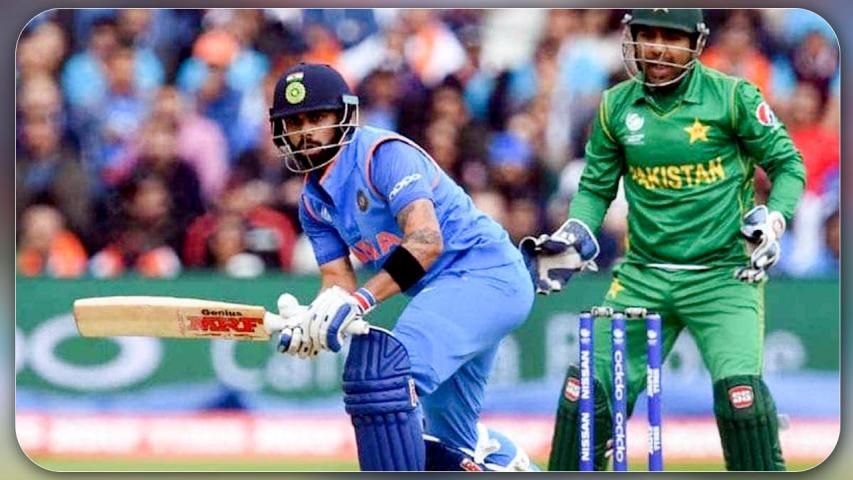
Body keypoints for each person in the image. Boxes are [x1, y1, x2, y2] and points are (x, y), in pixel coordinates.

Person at [521, 9, 805, 471]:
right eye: (646, 35)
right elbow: (594, 188)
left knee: (742, 402)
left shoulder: (732, 97)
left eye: (671, 38)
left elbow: (788, 165)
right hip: (643, 275)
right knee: (584, 395)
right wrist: (575, 232)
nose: (656, 48)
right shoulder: (615, 106)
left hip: (724, 276)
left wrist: (773, 221)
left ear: (696, 44)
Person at [266, 63, 536, 471]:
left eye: (316, 118)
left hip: (485, 275)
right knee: (449, 443)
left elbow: (426, 241)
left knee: (383, 376)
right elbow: (336, 281)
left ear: (344, 115)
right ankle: (508, 464)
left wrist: (358, 302)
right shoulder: (312, 201)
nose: (305, 132)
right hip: (448, 293)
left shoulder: (383, 155)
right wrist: (313, 320)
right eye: (294, 122)